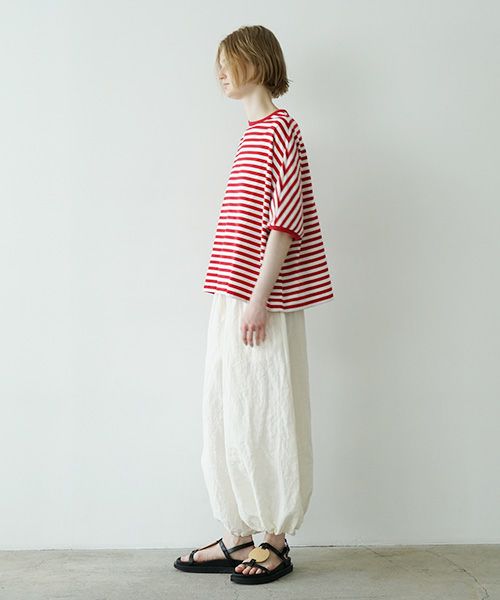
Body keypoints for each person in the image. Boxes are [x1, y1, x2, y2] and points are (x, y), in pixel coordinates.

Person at [174, 25, 334, 585]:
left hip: (261, 300)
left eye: (229, 62)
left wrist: (259, 300)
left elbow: (283, 223)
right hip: (232, 295)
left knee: (268, 413)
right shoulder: (251, 134)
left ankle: (275, 540)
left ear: (257, 63)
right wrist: (239, 298)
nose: (219, 73)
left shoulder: (281, 130)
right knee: (229, 411)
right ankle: (239, 532)